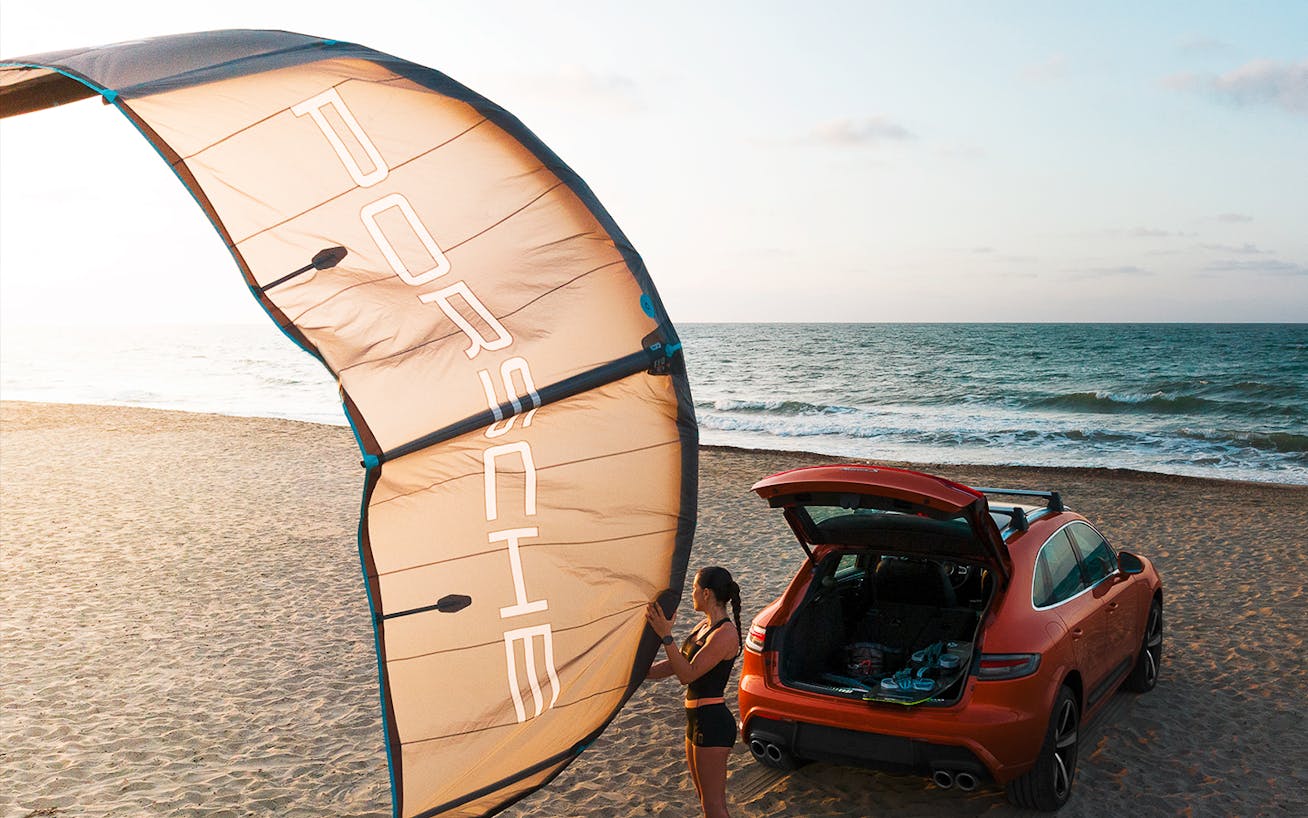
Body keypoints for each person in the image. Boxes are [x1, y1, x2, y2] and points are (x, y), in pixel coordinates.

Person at [645, 566, 742, 818]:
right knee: (705, 802)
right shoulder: (704, 626)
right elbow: (678, 663)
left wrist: (667, 636)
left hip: (712, 723)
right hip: (696, 721)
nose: (691, 593)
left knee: (714, 807)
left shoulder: (725, 633)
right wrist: (644, 672)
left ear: (707, 593)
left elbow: (687, 675)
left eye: (694, 589)